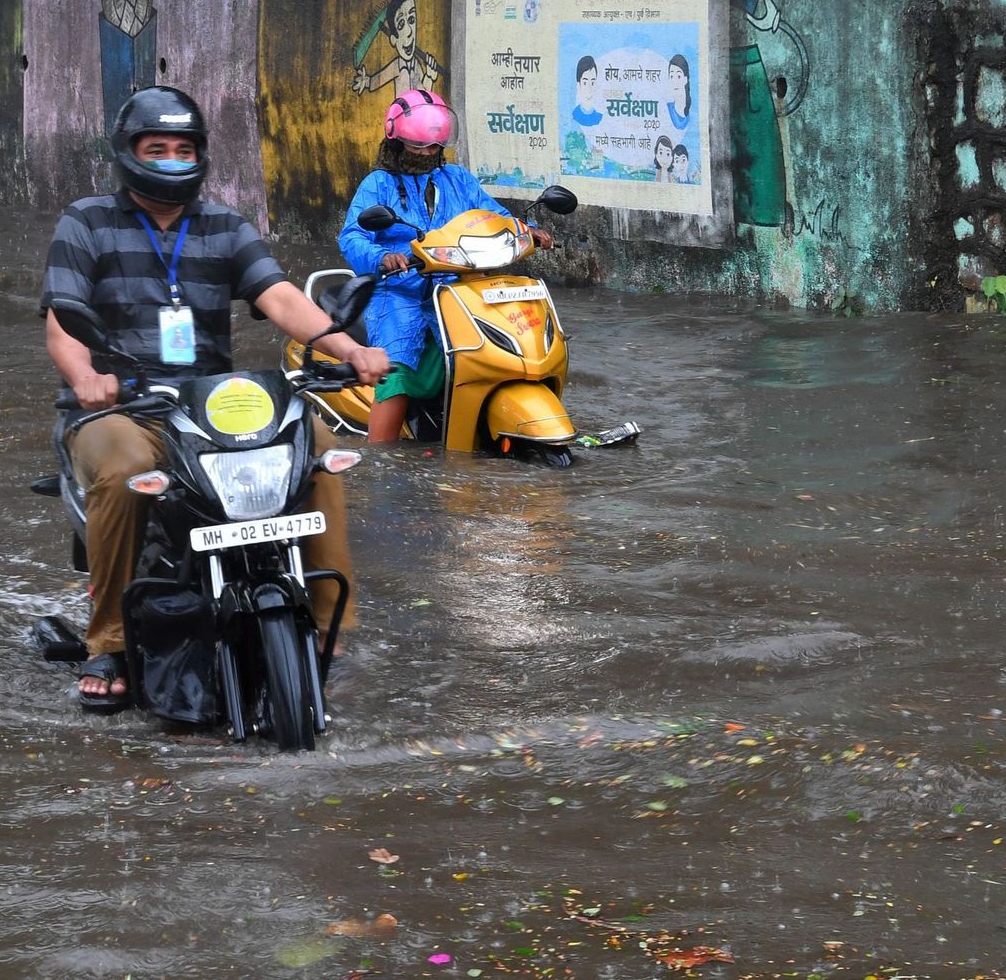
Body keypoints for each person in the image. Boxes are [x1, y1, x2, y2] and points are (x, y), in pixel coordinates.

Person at [43, 85, 391, 711]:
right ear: (128, 153)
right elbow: (63, 320)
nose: (172, 159)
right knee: (124, 468)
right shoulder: (87, 221)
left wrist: (348, 348)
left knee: (318, 447)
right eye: (158, 148)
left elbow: (280, 297)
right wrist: (85, 379)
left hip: (208, 406)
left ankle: (331, 626)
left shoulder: (226, 225)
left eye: (184, 149)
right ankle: (112, 642)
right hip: (123, 406)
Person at [337, 88, 552, 442]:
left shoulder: (458, 179)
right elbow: (352, 237)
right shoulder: (378, 184)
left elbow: (491, 216)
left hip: (458, 288)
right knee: (399, 364)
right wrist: (383, 257)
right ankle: (381, 454)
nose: (425, 153)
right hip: (400, 290)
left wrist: (525, 230)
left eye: (432, 147)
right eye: (416, 146)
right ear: (396, 142)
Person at [570, 56, 604, 127]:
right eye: (585, 83)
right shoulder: (574, 116)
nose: (589, 89)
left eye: (592, 83)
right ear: (579, 85)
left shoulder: (600, 118)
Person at [665, 53, 692, 131]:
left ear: (685, 79)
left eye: (679, 76)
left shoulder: (690, 112)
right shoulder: (668, 108)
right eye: (671, 76)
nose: (674, 81)